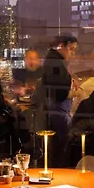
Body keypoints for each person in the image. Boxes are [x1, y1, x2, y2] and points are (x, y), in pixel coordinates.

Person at [37, 35, 78, 166]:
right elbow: (59, 91)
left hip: (57, 109)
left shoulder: (54, 60)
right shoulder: (55, 62)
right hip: (58, 110)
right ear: (61, 46)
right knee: (64, 143)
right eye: (71, 49)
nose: (72, 53)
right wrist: (74, 92)